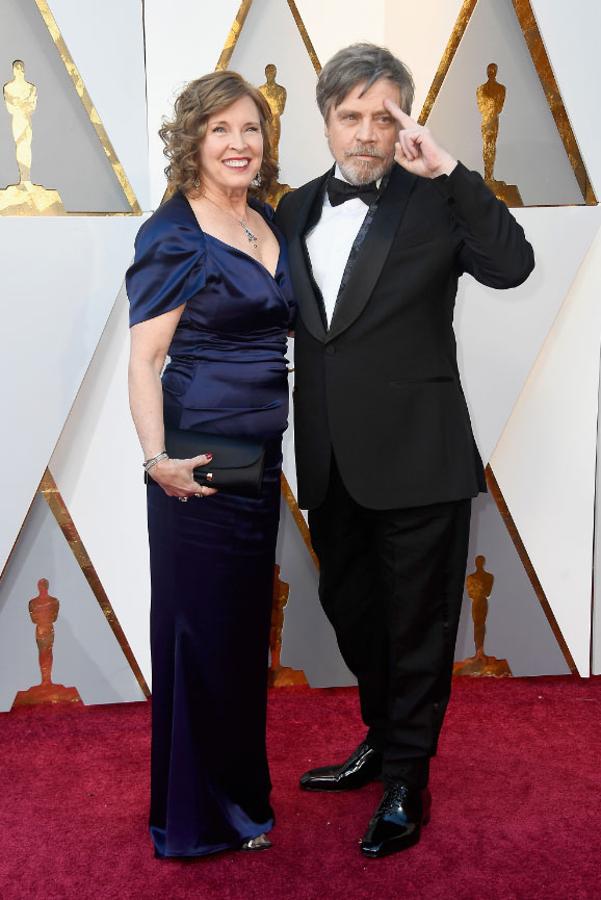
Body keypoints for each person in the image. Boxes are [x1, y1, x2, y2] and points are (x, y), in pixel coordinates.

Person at [275, 43, 534, 858]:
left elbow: (511, 265)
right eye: (348, 117)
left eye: (380, 116)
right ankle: (384, 740)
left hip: (419, 457)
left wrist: (453, 170)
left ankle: (406, 781)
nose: (364, 132)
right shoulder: (292, 209)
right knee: (353, 615)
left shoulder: (437, 200)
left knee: (418, 627)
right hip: (329, 460)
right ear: (324, 123)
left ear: (404, 120)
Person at [126, 70, 296, 859]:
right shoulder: (173, 233)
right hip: (195, 464)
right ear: (193, 138)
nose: (239, 143)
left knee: (237, 636)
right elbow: (145, 359)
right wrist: (156, 458)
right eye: (221, 128)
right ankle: (192, 818)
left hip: (258, 464)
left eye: (250, 129)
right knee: (196, 636)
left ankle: (239, 799)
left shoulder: (267, 220)